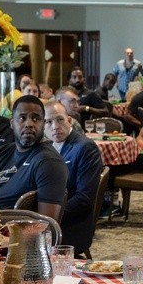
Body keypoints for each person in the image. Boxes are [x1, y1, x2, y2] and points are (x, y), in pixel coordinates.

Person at [0, 95, 69, 218]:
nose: (28, 124)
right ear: (12, 123)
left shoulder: (49, 162)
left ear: (44, 124)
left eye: (35, 119)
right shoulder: (0, 153)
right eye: (22, 118)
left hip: (8, 233)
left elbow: (46, 226)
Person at [44, 101, 104, 255]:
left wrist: (49, 217)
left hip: (73, 224)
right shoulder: (45, 148)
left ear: (69, 120)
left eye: (60, 120)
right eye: (48, 122)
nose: (55, 127)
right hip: (47, 219)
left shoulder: (85, 148)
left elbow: (84, 199)